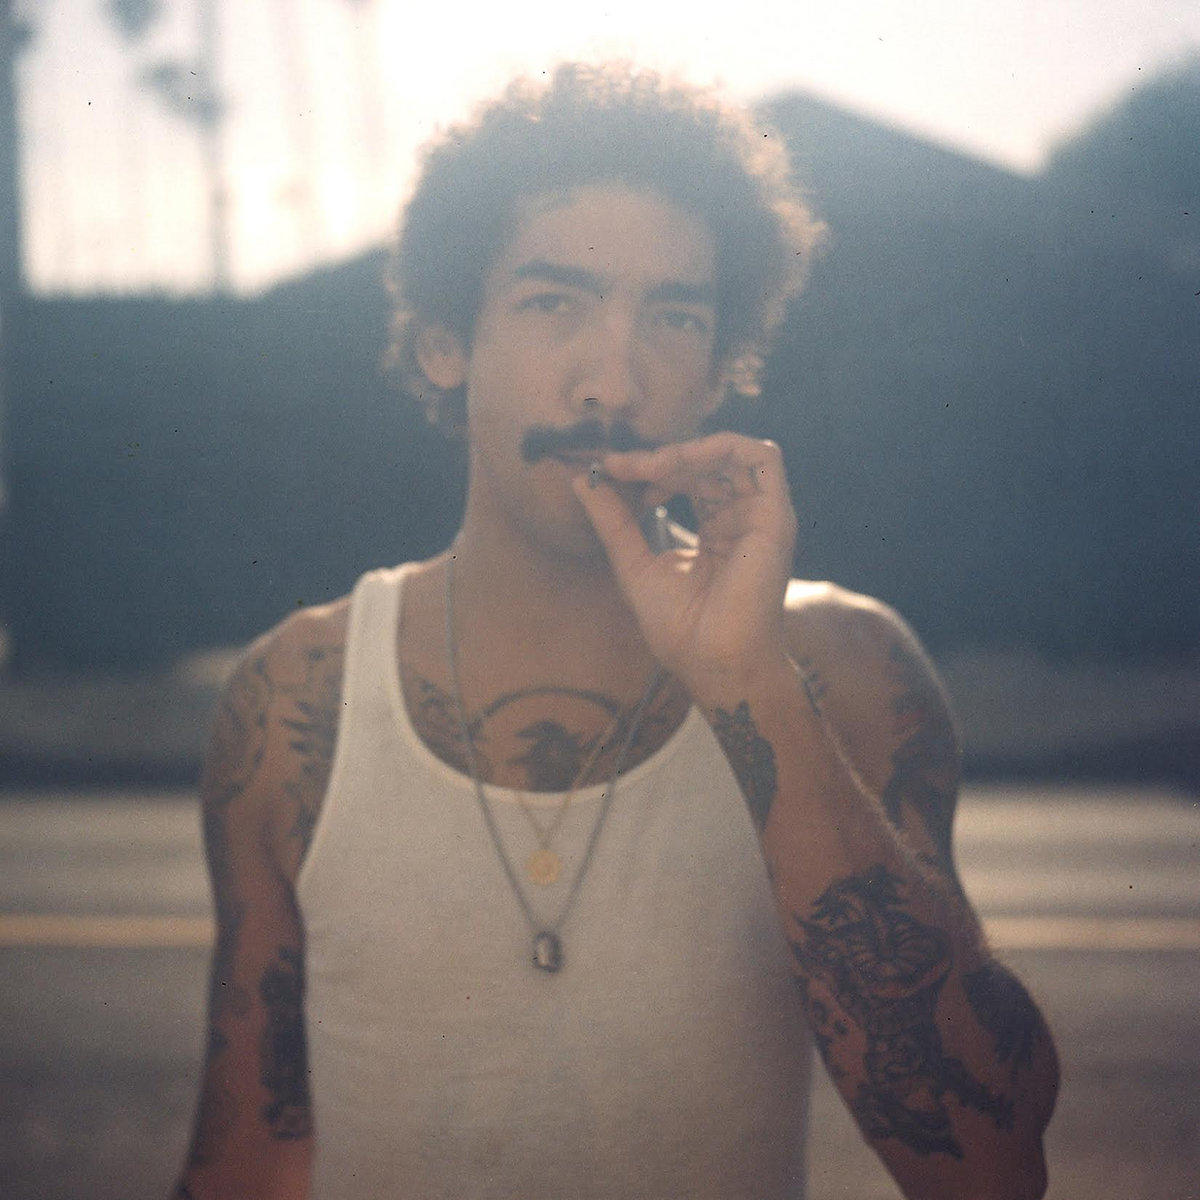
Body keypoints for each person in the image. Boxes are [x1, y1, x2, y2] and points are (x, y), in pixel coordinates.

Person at [172, 63, 1058, 1200]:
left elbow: (989, 1162)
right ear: (446, 340)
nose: (614, 381)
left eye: (675, 317)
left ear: (721, 365)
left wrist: (747, 682)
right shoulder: (299, 696)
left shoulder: (841, 668)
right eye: (555, 303)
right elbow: (245, 1162)